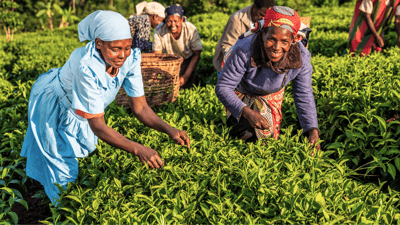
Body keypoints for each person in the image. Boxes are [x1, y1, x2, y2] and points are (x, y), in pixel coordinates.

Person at [20, 10, 190, 204]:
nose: (122, 55)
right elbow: (98, 126)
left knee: (70, 155)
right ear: (99, 43)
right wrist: (138, 149)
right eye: (115, 49)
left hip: (80, 109)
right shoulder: (86, 67)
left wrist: (170, 130)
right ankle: (61, 209)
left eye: (127, 47)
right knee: (63, 169)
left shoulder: (131, 58)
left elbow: (141, 107)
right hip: (55, 104)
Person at [215, 6, 320, 150]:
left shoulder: (300, 57)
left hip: (271, 92)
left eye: (284, 41)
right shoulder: (244, 49)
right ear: (262, 34)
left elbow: (303, 93)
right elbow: (223, 87)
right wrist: (247, 112)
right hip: (241, 89)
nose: (277, 47)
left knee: (267, 140)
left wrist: (312, 130)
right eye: (271, 39)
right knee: (244, 135)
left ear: (293, 40)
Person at [213, 0, 275, 74]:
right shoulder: (237, 19)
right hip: (231, 66)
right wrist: (241, 64)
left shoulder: (268, 19)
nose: (263, 19)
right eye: (261, 14)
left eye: (266, 17)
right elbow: (228, 47)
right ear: (254, 7)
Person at [153, 4, 203, 89]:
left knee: (188, 89)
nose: (173, 25)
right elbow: (157, 56)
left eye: (176, 21)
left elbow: (196, 54)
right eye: (169, 21)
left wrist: (185, 77)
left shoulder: (190, 29)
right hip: (169, 61)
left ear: (182, 19)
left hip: (188, 61)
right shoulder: (159, 30)